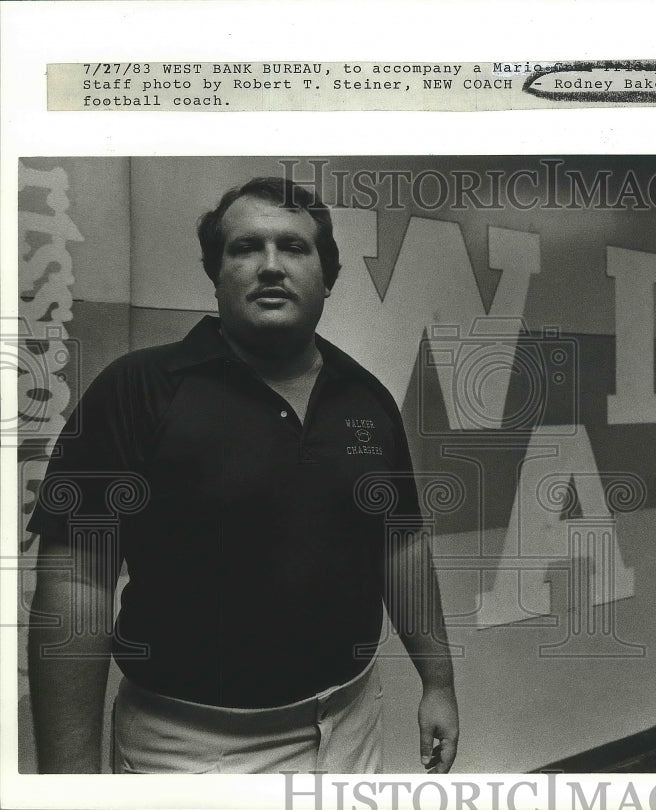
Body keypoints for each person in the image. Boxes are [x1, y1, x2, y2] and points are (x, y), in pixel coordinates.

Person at [27, 176, 459, 774]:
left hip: (352, 719)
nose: (271, 265)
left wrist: (437, 681)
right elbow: (77, 587)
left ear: (327, 277)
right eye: (246, 247)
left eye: (294, 247)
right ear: (217, 272)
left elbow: (402, 543)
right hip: (191, 747)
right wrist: (67, 786)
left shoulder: (367, 398)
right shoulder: (136, 391)